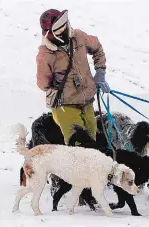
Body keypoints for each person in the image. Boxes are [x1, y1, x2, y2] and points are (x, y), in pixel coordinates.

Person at [36, 9, 110, 145]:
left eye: (65, 23)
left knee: (92, 143)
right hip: (65, 106)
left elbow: (97, 47)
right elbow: (43, 84)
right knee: (77, 147)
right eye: (59, 28)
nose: (64, 28)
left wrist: (100, 72)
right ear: (49, 33)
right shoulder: (45, 55)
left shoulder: (79, 36)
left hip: (87, 101)